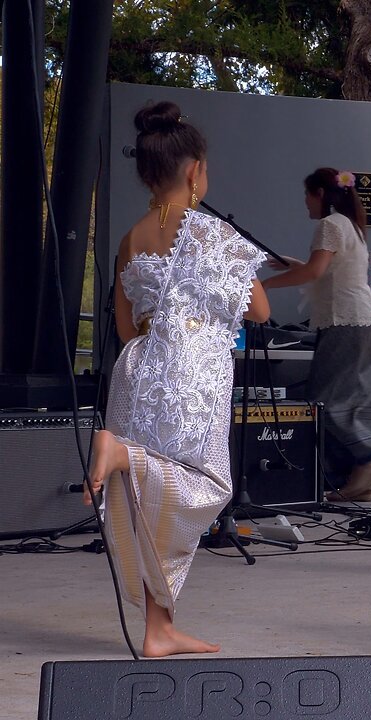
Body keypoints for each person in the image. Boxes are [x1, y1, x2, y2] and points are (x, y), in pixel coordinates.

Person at [86, 101, 270, 657]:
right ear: (194, 171)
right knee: (207, 485)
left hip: (138, 370)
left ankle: (158, 629)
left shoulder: (131, 237)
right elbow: (258, 310)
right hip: (190, 374)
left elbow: (122, 325)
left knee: (146, 506)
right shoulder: (214, 234)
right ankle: (121, 454)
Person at [262, 168, 371, 502]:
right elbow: (329, 271)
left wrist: (261, 287)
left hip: (343, 324)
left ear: (320, 193)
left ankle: (370, 460)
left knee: (327, 399)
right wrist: (293, 264)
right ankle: (361, 479)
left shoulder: (329, 225)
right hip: (361, 324)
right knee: (353, 400)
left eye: (307, 195)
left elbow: (315, 271)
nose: (305, 202)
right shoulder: (350, 225)